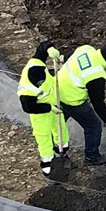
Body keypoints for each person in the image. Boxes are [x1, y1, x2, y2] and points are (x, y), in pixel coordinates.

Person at [55, 41, 106, 167]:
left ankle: (57, 153)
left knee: (58, 125)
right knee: (93, 125)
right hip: (72, 100)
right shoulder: (96, 75)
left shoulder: (86, 49)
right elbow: (97, 103)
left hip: (57, 90)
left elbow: (69, 57)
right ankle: (92, 157)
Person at [19, 41, 69, 178]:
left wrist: (50, 49)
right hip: (40, 112)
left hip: (54, 105)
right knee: (44, 137)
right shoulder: (27, 90)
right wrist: (48, 108)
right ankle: (47, 163)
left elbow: (42, 47)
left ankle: (62, 153)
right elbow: (28, 107)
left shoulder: (37, 64)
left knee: (61, 129)